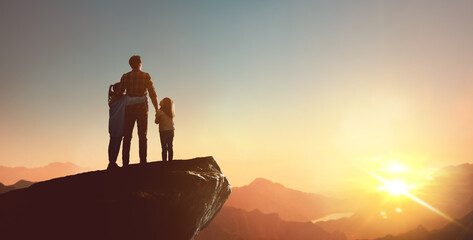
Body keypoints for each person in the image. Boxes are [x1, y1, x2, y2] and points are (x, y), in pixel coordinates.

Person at [119, 55, 158, 166]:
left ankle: (125, 163)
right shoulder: (146, 76)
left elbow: (119, 93)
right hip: (142, 109)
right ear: (140, 63)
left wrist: (111, 102)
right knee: (142, 135)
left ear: (131, 65)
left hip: (129, 110)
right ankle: (143, 162)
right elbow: (152, 94)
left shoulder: (125, 76)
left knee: (127, 136)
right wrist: (156, 109)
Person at [107, 82, 146, 169]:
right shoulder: (123, 99)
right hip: (120, 125)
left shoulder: (111, 99)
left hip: (112, 125)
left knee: (112, 143)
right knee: (116, 144)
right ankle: (112, 164)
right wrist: (144, 98)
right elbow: (133, 100)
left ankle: (111, 162)